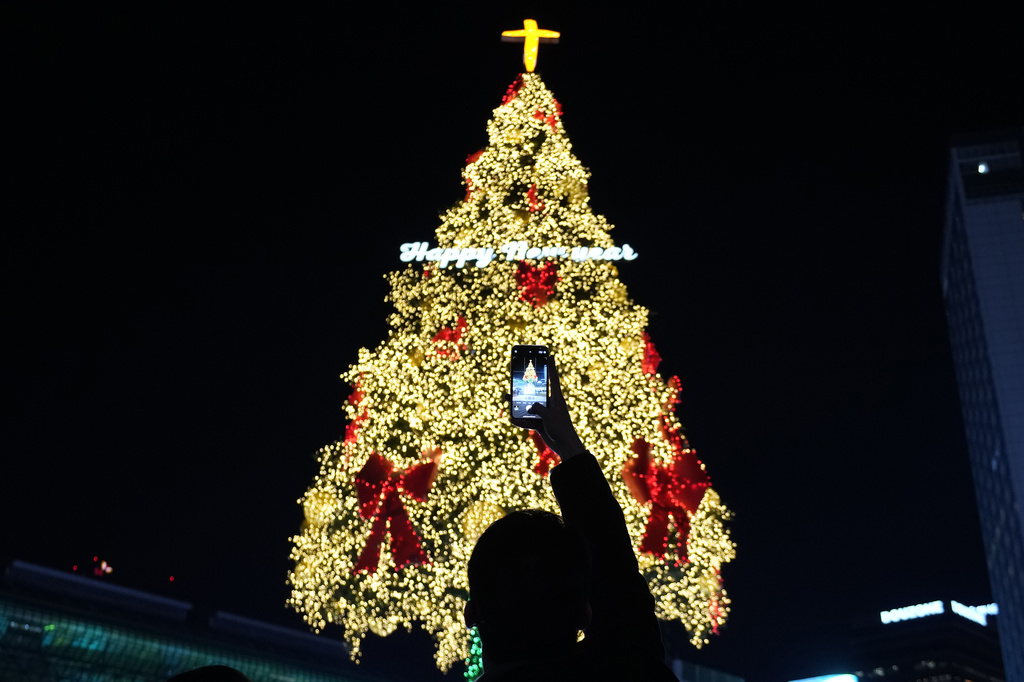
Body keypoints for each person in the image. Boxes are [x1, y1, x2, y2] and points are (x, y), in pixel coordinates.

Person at [465, 358, 678, 681]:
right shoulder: (633, 675)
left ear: (472, 614)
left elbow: (623, 606)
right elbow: (621, 597)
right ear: (584, 613)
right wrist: (569, 447)